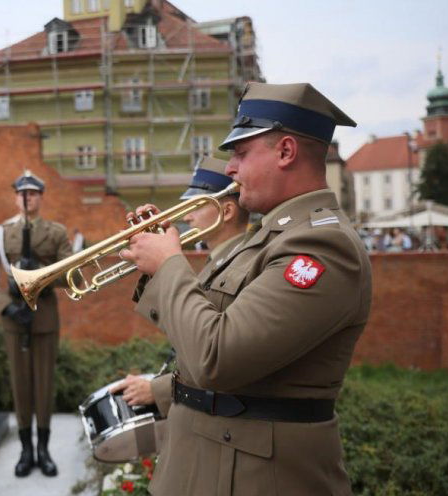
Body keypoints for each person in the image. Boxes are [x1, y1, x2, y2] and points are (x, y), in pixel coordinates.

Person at [118, 82, 372, 495]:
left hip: (255, 477)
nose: (230, 169)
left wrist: (168, 264)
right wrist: (155, 269)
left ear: (286, 152)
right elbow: (196, 331)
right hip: (203, 460)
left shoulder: (322, 246)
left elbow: (217, 357)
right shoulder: (269, 236)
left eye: (240, 152)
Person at [111, 156, 250, 456]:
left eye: (193, 207)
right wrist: (156, 269)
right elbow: (186, 334)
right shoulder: (219, 262)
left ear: (225, 211)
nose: (186, 218)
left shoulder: (246, 264)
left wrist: (156, 390)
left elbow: (219, 356)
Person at [0, 170, 72, 478]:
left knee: (43, 387)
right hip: (16, 319)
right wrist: (7, 308)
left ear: (41, 197)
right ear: (16, 197)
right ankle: (25, 448)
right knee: (21, 386)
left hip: (43, 318)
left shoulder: (56, 232)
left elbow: (72, 274)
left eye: (33, 193)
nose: (27, 198)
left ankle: (43, 449)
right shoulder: (2, 234)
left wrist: (41, 272)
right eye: (22, 193)